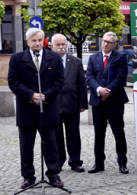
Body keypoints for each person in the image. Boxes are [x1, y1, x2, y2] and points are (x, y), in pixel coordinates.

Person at [8, 28, 65, 189]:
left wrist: (47, 95)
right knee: (26, 146)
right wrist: (30, 95)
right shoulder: (17, 59)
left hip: (48, 108)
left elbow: (60, 80)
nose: (37, 43)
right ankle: (28, 176)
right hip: (26, 109)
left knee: (51, 145)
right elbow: (13, 82)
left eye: (40, 40)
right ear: (27, 42)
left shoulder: (53, 57)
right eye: (34, 41)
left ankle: (53, 174)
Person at [86, 32, 130, 174]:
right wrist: (99, 90)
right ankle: (99, 163)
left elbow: (120, 78)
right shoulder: (93, 58)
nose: (105, 44)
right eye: (104, 41)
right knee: (99, 133)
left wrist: (108, 91)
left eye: (108, 42)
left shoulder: (120, 57)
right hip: (98, 101)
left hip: (115, 101)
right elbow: (90, 77)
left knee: (118, 132)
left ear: (114, 44)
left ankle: (122, 162)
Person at [51, 34, 88, 173]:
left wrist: (83, 103)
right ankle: (59, 161)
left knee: (73, 134)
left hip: (72, 103)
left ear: (67, 45)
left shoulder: (75, 61)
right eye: (58, 45)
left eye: (63, 44)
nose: (61, 47)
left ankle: (75, 161)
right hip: (54, 105)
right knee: (56, 136)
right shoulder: (48, 61)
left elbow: (81, 84)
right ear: (52, 46)